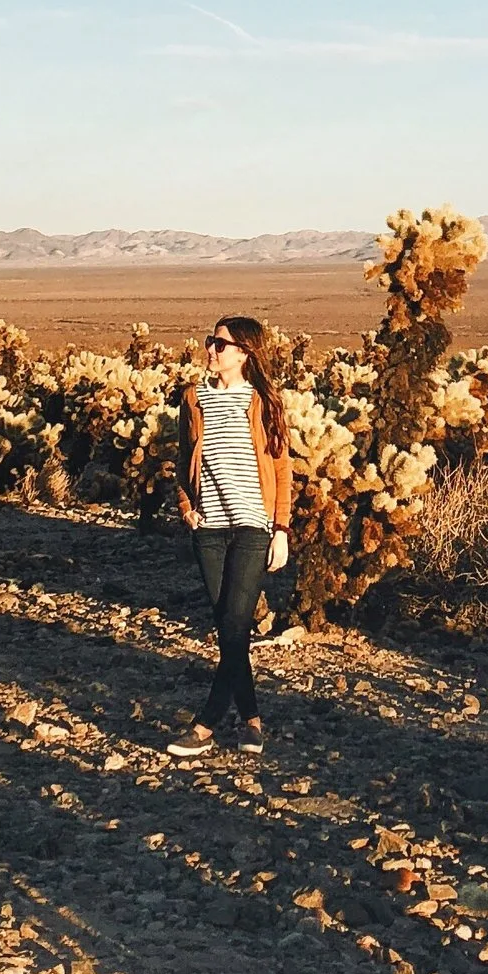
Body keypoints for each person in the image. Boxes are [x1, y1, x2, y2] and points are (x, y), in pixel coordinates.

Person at [172, 314, 293, 753]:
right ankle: (252, 721)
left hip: (252, 528)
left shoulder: (262, 402)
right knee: (228, 629)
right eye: (211, 341)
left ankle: (206, 724)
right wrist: (186, 508)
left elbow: (282, 467)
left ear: (244, 353)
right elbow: (183, 459)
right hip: (209, 529)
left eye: (220, 344)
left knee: (235, 625)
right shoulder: (193, 399)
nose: (210, 349)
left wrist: (281, 529)